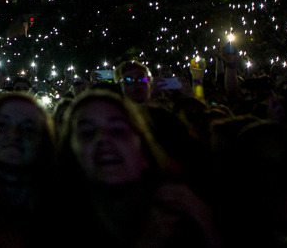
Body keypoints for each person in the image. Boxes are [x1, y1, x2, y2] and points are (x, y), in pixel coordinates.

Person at [56, 91, 221, 247]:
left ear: (144, 153)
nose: (102, 139)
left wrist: (207, 225)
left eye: (117, 130)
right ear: (71, 153)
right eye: (87, 133)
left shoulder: (184, 215)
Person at [0, 92, 56, 246]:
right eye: (2, 125)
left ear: (43, 139)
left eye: (28, 129)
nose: (14, 134)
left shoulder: (62, 204)